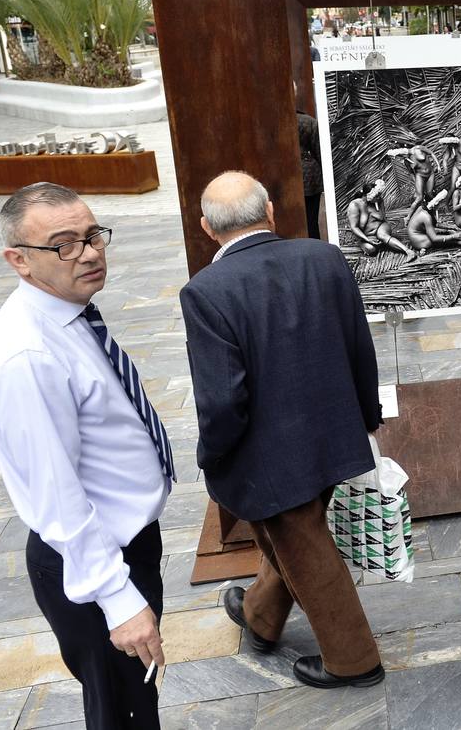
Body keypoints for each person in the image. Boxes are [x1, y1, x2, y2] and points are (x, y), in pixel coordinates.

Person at [0, 183, 174, 729]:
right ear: (18, 260)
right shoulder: (28, 355)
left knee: (138, 700)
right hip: (91, 561)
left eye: (92, 236)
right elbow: (55, 495)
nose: (87, 253)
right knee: (123, 713)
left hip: (123, 544)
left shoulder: (68, 314)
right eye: (62, 245)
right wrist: (117, 598)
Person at [181, 172, 385, 690]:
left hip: (268, 453)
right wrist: (367, 417)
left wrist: (212, 455)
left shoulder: (205, 291)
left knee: (305, 548)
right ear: (269, 212)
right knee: (292, 538)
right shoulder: (324, 258)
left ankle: (353, 659)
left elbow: (222, 398)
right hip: (334, 434)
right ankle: (260, 616)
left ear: (207, 228)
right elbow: (359, 345)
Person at [346, 180, 415, 258]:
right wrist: (367, 240)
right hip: (366, 236)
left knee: (382, 236)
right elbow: (354, 227)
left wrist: (386, 232)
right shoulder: (355, 205)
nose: (379, 198)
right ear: (368, 195)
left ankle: (408, 251)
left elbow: (383, 218)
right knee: (371, 249)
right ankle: (379, 243)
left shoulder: (379, 201)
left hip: (381, 227)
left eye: (379, 195)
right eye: (377, 196)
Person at [406, 189, 461, 254]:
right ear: (435, 203)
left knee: (448, 234)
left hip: (418, 235)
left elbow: (432, 224)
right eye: (440, 202)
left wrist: (448, 228)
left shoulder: (423, 207)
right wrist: (453, 236)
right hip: (418, 240)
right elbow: (434, 238)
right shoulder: (426, 216)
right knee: (453, 241)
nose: (441, 204)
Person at [295, 109, 323, 240]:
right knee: (311, 220)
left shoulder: (272, 120)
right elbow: (318, 150)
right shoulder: (309, 121)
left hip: (287, 179)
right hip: (310, 177)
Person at [387, 144, 437, 214]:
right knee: (419, 197)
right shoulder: (406, 161)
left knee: (429, 194)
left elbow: (431, 153)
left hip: (430, 174)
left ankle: (434, 210)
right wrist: (416, 182)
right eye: (400, 156)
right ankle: (411, 215)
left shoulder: (417, 149)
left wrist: (437, 165)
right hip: (419, 176)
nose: (402, 157)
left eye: (401, 155)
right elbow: (411, 173)